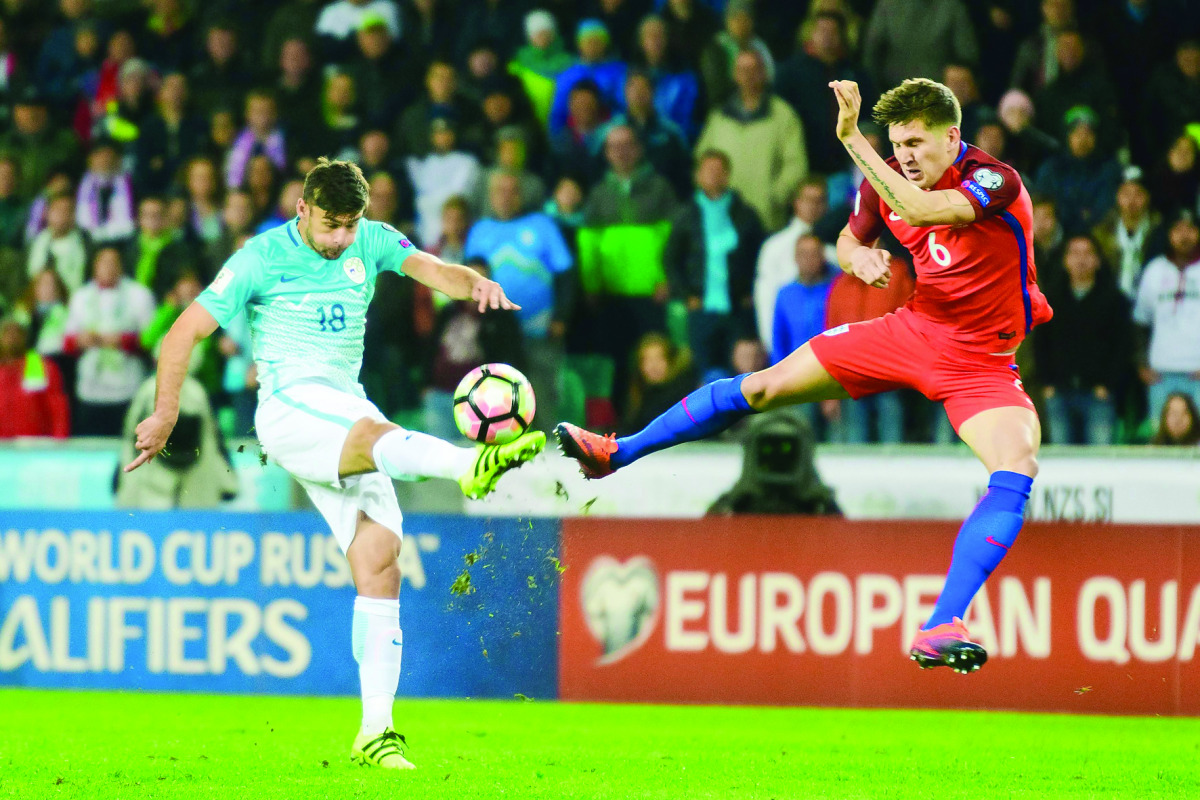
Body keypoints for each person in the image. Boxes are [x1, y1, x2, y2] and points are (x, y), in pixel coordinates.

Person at [557, 78, 1053, 676]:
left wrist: (851, 140)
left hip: (981, 360)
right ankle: (615, 452)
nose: (908, 157)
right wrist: (856, 256)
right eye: (898, 144)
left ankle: (941, 623)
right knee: (763, 386)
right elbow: (849, 238)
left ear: (953, 137)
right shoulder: (891, 172)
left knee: (1016, 468)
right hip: (914, 330)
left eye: (918, 143)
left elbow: (922, 210)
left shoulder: (995, 180)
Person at [124, 158, 544, 770]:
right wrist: (164, 413)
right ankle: (468, 467)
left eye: (350, 224)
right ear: (302, 209)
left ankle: (376, 732)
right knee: (374, 433)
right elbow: (183, 332)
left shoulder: (370, 239)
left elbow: (432, 270)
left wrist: (472, 281)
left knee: (380, 560)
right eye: (330, 224)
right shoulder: (260, 257)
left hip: (343, 402)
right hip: (290, 406)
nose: (341, 237)